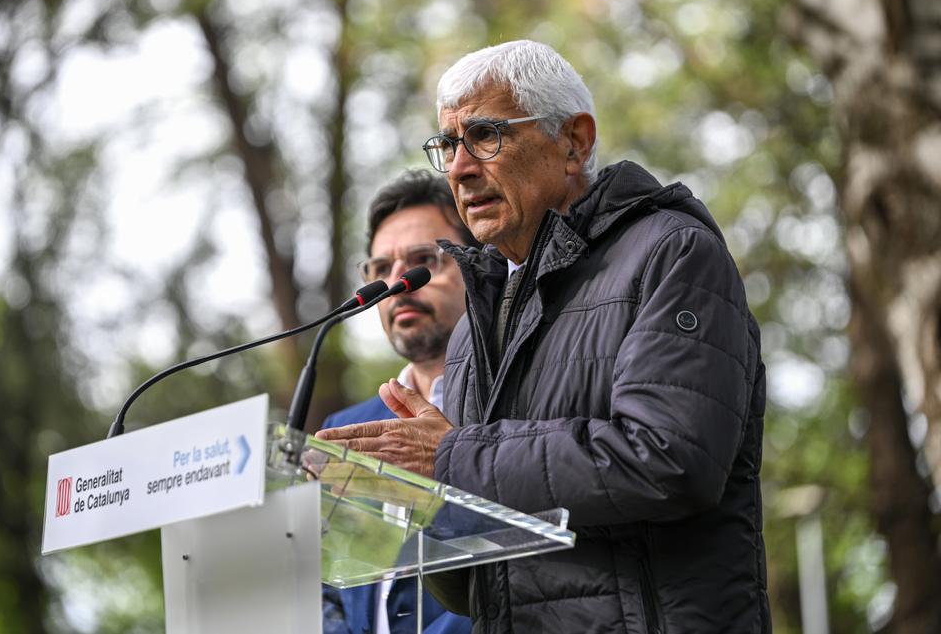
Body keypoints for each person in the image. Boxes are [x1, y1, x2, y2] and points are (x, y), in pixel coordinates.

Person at [317, 40, 769, 634]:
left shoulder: (670, 253)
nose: (459, 167)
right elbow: (465, 588)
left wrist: (450, 459)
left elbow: (671, 461)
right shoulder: (479, 321)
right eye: (449, 144)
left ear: (574, 142)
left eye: (485, 135)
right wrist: (413, 496)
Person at [322, 170, 475, 634]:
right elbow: (325, 584)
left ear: (479, 264)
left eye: (421, 261)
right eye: (380, 269)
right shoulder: (348, 427)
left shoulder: (523, 401)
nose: (396, 284)